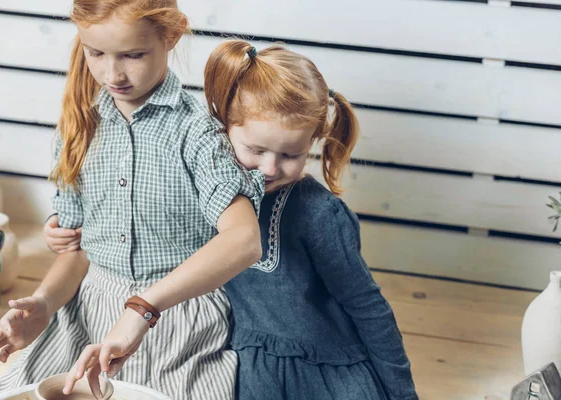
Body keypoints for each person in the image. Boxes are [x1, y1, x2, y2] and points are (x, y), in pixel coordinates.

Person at [46, 39, 419, 399]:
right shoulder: (211, 187)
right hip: (245, 365)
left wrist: (401, 393)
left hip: (325, 371)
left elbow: (368, 308)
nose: (270, 168)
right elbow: (145, 214)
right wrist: (66, 230)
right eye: (255, 149)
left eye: (292, 155)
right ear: (222, 128)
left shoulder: (320, 215)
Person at [0, 3, 264, 399]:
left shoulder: (200, 134)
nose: (112, 74)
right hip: (87, 317)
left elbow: (244, 240)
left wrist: (142, 309)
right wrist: (44, 304)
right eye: (95, 53)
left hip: (178, 323)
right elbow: (79, 253)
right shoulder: (79, 128)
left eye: (133, 55)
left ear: (172, 34)